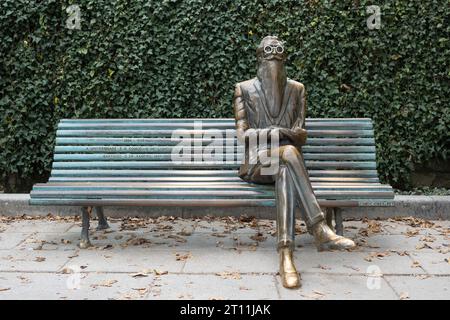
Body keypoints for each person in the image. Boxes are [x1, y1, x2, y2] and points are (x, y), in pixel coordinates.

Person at [233, 36, 356, 288]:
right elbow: (244, 136)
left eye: (279, 55)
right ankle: (318, 227)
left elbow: (302, 135)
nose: (274, 61)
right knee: (289, 153)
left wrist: (279, 133)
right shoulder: (243, 89)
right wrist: (281, 132)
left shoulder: (297, 89)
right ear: (259, 58)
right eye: (268, 55)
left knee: (286, 169)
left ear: (285, 59)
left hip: (286, 164)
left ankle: (286, 256)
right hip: (257, 162)